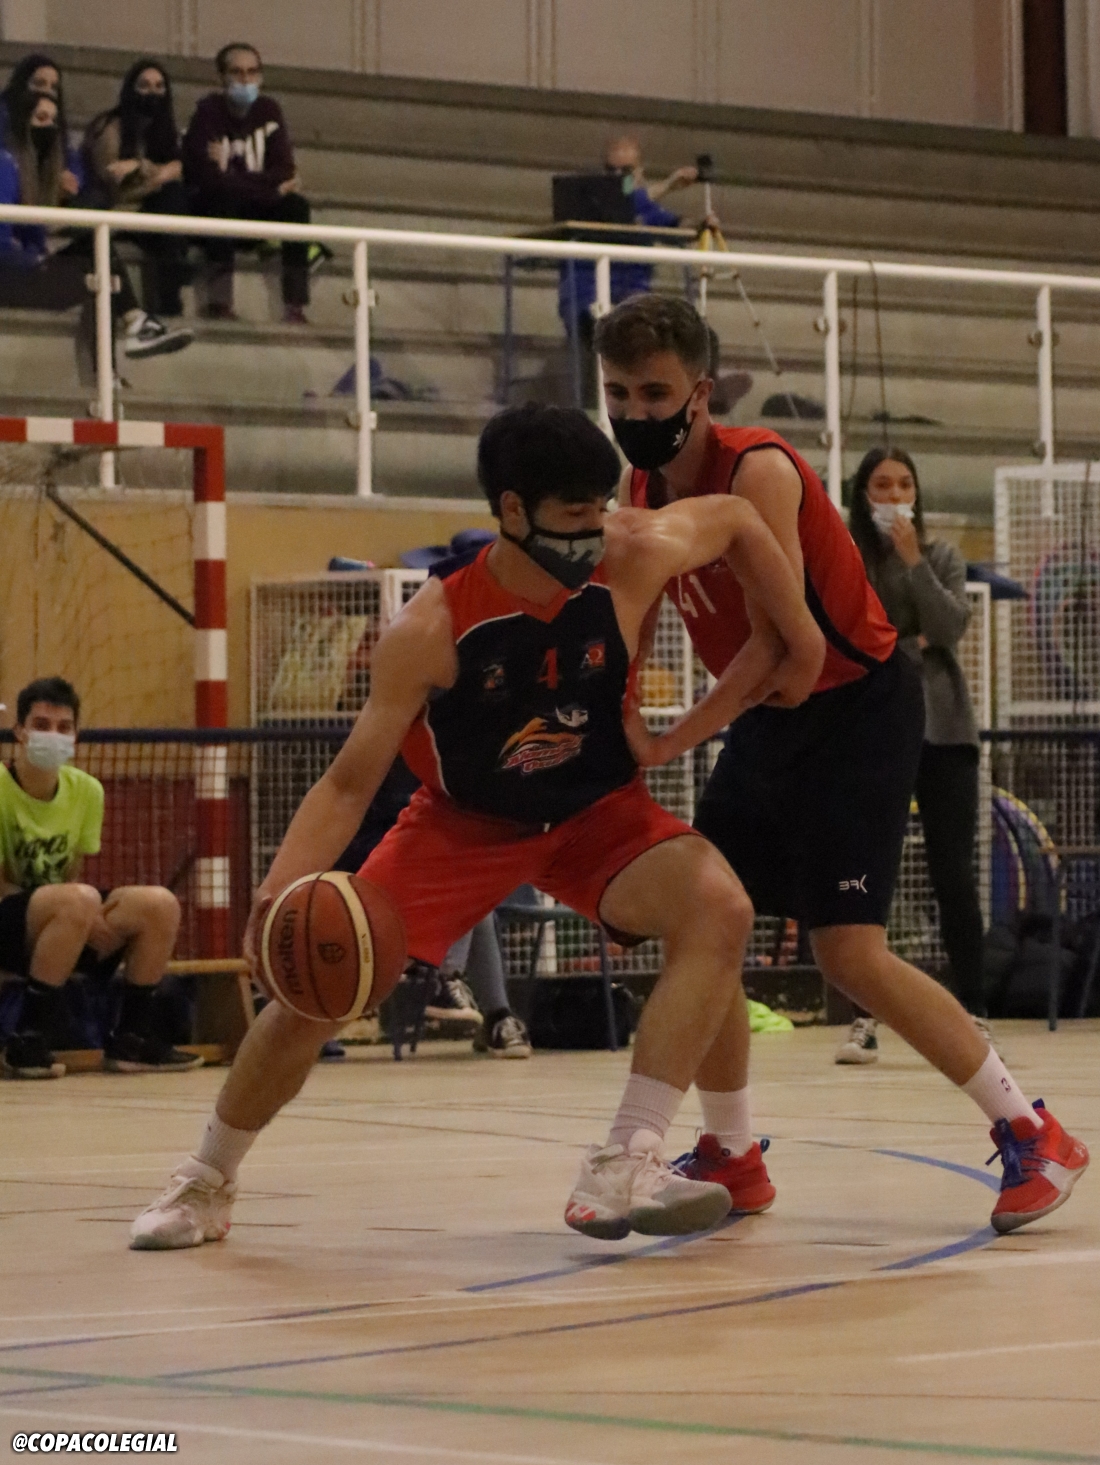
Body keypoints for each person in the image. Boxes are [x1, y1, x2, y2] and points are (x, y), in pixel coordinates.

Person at [129, 402, 826, 1249]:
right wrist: (277, 889)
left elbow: (742, 517)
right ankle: (205, 1179)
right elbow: (348, 783)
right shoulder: (432, 627)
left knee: (720, 907)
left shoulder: (635, 553)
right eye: (575, 514)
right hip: (464, 823)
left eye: (603, 507)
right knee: (321, 976)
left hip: (596, 810)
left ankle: (626, 1158)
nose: (596, 529)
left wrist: (799, 636)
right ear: (512, 510)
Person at [596, 292, 1089, 1235]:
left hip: (855, 705)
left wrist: (668, 739)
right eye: (618, 393)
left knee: (848, 950)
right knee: (705, 922)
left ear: (700, 394)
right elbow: (645, 601)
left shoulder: (758, 470)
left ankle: (1034, 1131)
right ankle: (732, 1151)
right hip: (769, 717)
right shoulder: (641, 487)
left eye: (654, 393)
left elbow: (783, 644)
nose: (635, 412)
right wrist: (620, 703)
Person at [834, 446, 988, 1063]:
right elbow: (854, 636)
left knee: (954, 872)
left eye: (904, 484)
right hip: (872, 729)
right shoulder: (848, 556)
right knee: (867, 874)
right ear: (862, 493)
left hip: (945, 732)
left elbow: (949, 627)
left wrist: (913, 563)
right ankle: (863, 1020)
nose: (895, 496)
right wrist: (908, 641)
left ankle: (975, 1013)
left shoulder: (941, 555)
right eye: (882, 485)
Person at [0, 677, 202, 1079]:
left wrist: (80, 915)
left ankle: (132, 1039)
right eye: (41, 725)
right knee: (79, 899)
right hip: (8, 919)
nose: (53, 735)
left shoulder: (87, 791)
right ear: (20, 732)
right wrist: (76, 908)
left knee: (157, 904)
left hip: (62, 916)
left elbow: (72, 872)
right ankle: (27, 1040)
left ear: (76, 735)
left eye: (64, 727)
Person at [0, 88, 192, 373]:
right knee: (98, 261)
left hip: (21, 270)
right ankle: (131, 332)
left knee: (102, 269)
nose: (49, 128)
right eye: (41, 119)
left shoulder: (35, 172)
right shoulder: (4, 164)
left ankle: (122, 348)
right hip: (7, 276)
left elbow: (32, 236)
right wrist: (35, 259)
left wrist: (38, 255)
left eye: (53, 121)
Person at [183, 42, 311, 324]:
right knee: (220, 201)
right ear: (222, 77)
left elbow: (284, 171)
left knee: (296, 206)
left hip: (256, 208)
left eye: (252, 72)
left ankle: (295, 306)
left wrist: (232, 174)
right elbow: (208, 180)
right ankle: (219, 303)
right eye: (237, 72)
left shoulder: (269, 110)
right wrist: (272, 190)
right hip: (219, 211)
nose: (245, 79)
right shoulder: (207, 113)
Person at [82, 58, 193, 318]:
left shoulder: (166, 130)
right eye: (144, 85)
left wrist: (141, 168)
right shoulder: (108, 126)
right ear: (131, 89)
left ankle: (170, 300)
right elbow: (112, 176)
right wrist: (152, 171)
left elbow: (180, 167)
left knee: (173, 197)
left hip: (152, 209)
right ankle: (170, 295)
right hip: (117, 208)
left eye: (159, 86)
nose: (152, 93)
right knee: (170, 199)